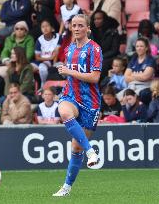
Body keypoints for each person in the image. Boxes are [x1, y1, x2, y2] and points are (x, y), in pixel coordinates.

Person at [52, 14, 102, 197]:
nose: (77, 28)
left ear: (88, 28)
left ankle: (67, 186)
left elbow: (95, 77)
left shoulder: (94, 49)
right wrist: (66, 72)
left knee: (75, 148)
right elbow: (70, 73)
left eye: (81, 25)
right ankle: (91, 151)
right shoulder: (69, 48)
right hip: (71, 95)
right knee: (63, 112)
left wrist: (69, 71)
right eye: (74, 25)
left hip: (91, 102)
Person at [118, 37, 157, 105]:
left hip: (145, 86)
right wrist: (140, 75)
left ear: (146, 48)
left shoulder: (150, 60)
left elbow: (146, 77)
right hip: (131, 86)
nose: (139, 48)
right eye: (137, 46)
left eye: (141, 46)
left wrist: (133, 75)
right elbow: (126, 77)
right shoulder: (133, 59)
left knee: (129, 98)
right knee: (118, 98)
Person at [90, 10, 120, 82]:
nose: (96, 21)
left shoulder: (113, 32)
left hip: (110, 57)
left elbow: (114, 50)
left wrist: (101, 56)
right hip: (97, 57)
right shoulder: (92, 32)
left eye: (99, 19)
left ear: (105, 20)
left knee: (102, 64)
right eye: (95, 19)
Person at [32, 19, 61, 88]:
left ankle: (44, 86)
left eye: (47, 26)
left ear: (52, 28)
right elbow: (37, 57)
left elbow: (56, 53)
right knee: (28, 68)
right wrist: (49, 58)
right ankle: (34, 88)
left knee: (42, 68)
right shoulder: (40, 39)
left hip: (53, 61)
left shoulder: (58, 37)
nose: (45, 28)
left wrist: (51, 59)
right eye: (43, 27)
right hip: (42, 60)